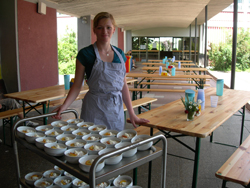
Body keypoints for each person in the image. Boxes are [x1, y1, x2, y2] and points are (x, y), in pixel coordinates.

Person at [52, 12, 149, 131]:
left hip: (115, 110)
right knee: (92, 144)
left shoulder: (120, 55)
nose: (104, 31)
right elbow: (77, 86)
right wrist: (64, 106)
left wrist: (132, 114)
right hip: (93, 109)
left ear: (113, 29)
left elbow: (123, 85)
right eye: (100, 27)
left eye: (108, 27)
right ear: (94, 30)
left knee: (114, 143)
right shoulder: (86, 54)